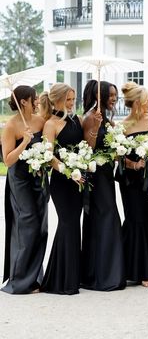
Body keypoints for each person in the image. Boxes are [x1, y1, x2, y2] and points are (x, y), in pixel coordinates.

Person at [1, 86, 47, 294]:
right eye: (34, 98)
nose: (37, 100)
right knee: (27, 221)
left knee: (41, 224)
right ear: (23, 102)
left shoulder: (40, 121)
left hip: (38, 177)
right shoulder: (11, 126)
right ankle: (20, 280)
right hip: (19, 179)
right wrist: (25, 142)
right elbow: (8, 160)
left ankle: (36, 277)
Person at [81, 80, 126, 291]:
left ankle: (105, 272)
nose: (114, 99)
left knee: (107, 219)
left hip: (107, 174)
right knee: (106, 219)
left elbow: (113, 149)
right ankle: (104, 276)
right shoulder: (91, 117)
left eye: (115, 95)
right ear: (98, 97)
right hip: (96, 176)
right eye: (110, 95)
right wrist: (96, 128)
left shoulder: (107, 119)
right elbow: (86, 150)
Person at [40, 84, 85, 294]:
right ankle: (62, 281)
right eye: (68, 99)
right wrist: (69, 172)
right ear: (56, 100)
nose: (71, 103)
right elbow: (48, 156)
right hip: (62, 181)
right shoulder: (51, 124)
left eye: (73, 99)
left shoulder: (75, 120)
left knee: (74, 225)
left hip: (79, 180)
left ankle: (71, 278)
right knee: (67, 224)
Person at [118, 82, 148, 287]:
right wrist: (134, 164)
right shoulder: (122, 126)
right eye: (147, 100)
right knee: (136, 219)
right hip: (131, 181)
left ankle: (146, 267)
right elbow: (117, 157)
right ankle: (142, 271)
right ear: (137, 103)